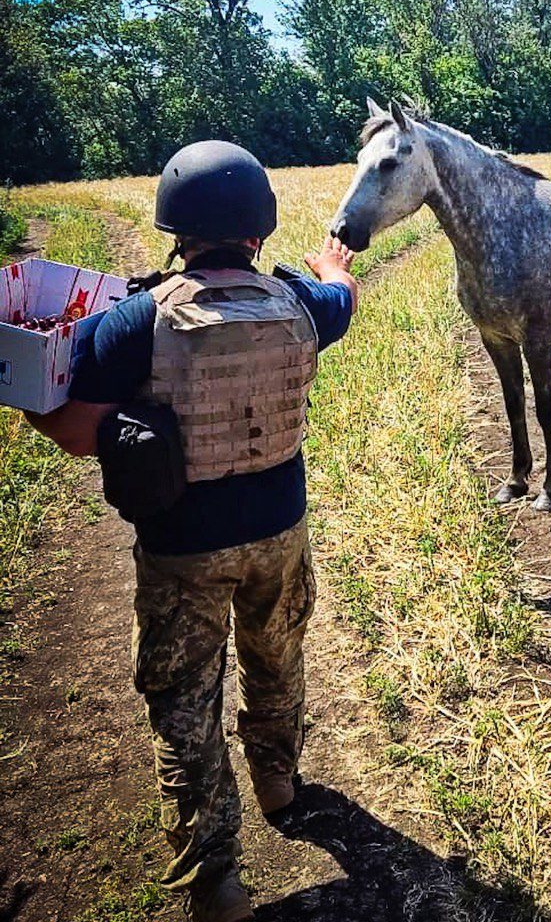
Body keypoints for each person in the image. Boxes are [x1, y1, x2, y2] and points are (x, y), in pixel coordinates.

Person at [26, 140, 358, 922]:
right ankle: (278, 780)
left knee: (184, 704)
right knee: (277, 659)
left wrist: (34, 388)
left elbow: (76, 430)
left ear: (175, 225)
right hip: (281, 530)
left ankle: (218, 882)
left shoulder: (135, 320)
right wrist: (334, 265)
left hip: (183, 549)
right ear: (259, 230)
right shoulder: (302, 304)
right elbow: (343, 295)